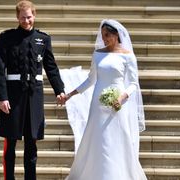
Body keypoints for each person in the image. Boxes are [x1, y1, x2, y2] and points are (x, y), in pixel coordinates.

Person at [62, 19, 147, 180]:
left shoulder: (128, 56)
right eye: (102, 35)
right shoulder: (98, 54)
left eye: (107, 35)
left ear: (116, 35)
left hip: (117, 103)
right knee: (98, 138)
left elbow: (134, 84)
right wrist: (70, 94)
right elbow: (90, 80)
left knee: (118, 137)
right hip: (98, 102)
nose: (104, 38)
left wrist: (122, 97)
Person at [0, 1, 65, 179]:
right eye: (23, 17)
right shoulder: (6, 38)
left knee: (31, 146)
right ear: (17, 17)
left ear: (34, 15)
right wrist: (2, 97)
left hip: (34, 97)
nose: (26, 21)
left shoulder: (43, 39)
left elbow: (51, 67)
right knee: (10, 144)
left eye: (29, 16)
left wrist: (59, 90)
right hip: (13, 97)